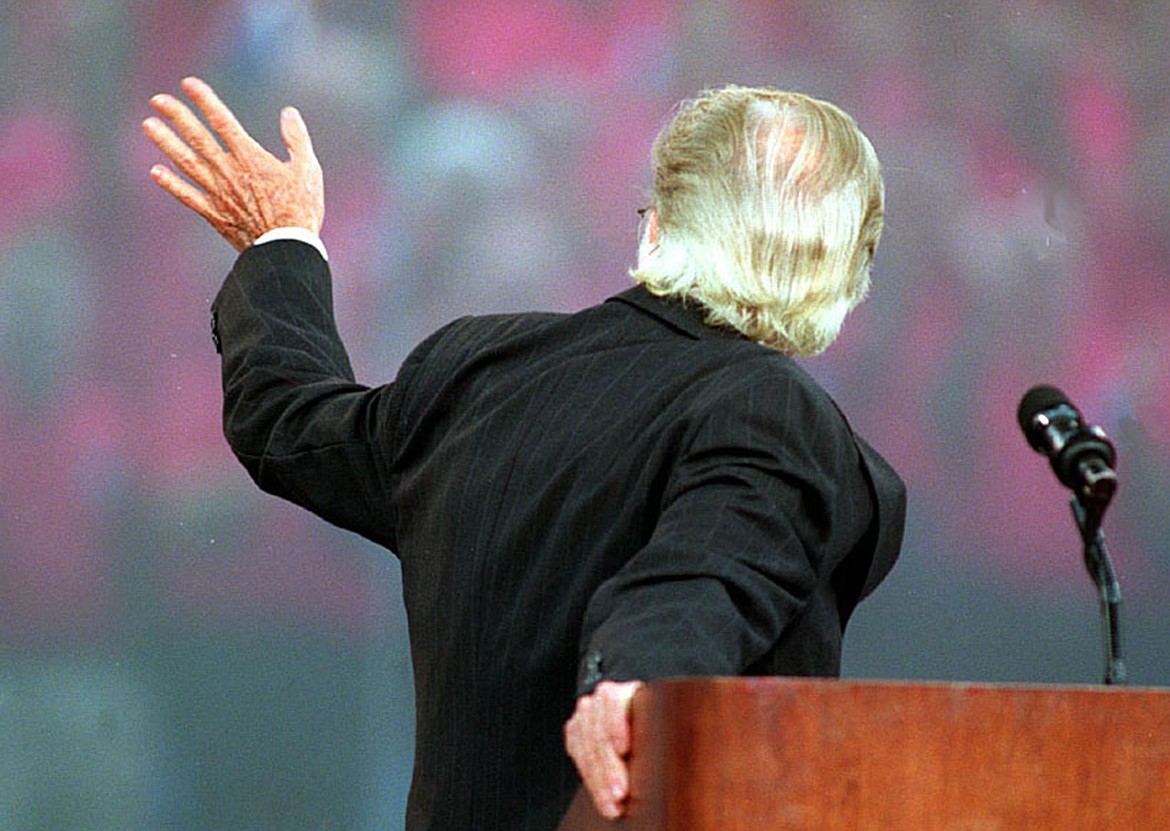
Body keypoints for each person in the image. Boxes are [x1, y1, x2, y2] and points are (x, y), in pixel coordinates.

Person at [144, 77, 906, 830]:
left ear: (656, 227)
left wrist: (280, 240)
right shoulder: (773, 410)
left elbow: (289, 423)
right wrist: (635, 686)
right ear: (845, 266)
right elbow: (703, 576)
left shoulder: (481, 370)